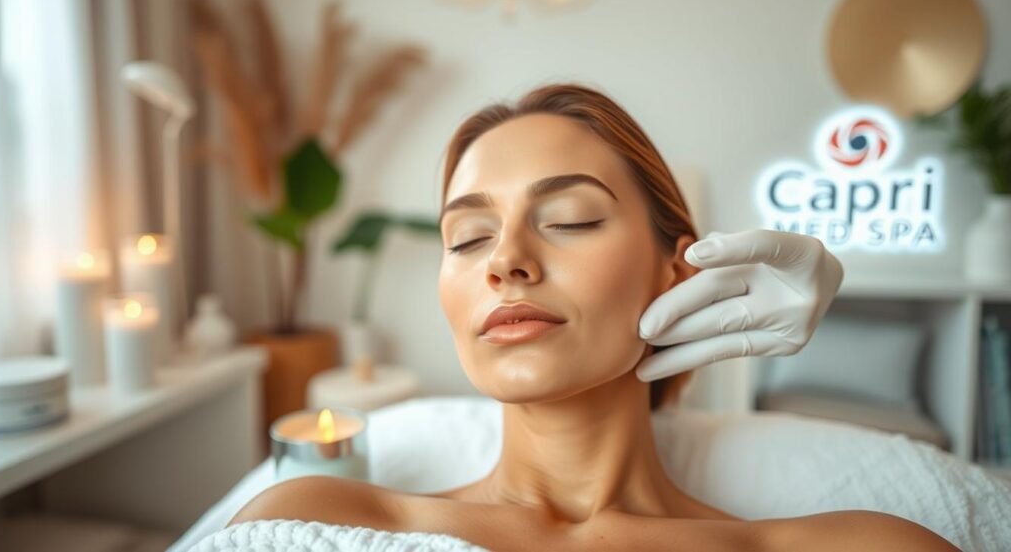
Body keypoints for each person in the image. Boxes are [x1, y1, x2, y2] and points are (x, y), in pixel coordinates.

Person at [228, 83, 956, 550]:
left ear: (679, 267)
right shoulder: (311, 520)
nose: (503, 260)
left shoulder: (867, 545)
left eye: (570, 219)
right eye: (467, 237)